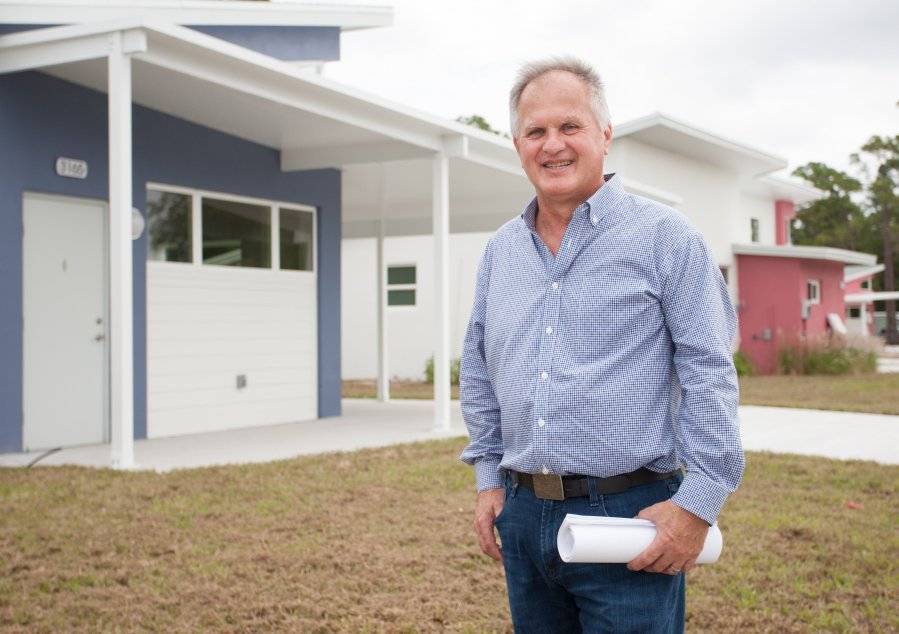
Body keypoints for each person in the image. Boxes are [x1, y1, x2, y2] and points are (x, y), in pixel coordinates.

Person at [459, 57, 744, 633]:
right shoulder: (500, 251)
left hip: (631, 517)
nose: (552, 145)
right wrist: (490, 479)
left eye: (570, 127)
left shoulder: (667, 240)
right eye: (536, 131)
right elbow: (479, 367)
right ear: (518, 145)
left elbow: (709, 372)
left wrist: (697, 505)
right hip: (523, 516)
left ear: (605, 136)